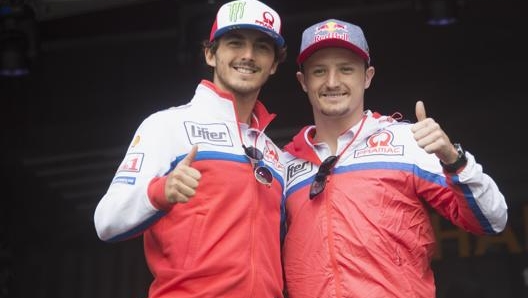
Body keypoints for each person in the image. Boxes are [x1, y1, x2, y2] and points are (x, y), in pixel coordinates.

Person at [281, 18, 508, 298]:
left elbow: (491, 219)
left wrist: (454, 159)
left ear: (367, 76)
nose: (332, 81)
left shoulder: (406, 142)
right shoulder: (283, 165)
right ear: (303, 82)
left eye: (346, 69)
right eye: (319, 71)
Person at [93, 0, 288, 297]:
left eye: (262, 47)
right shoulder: (168, 126)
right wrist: (162, 192)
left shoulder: (276, 155)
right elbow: (106, 221)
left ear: (273, 64)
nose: (248, 55)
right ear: (210, 53)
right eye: (235, 43)